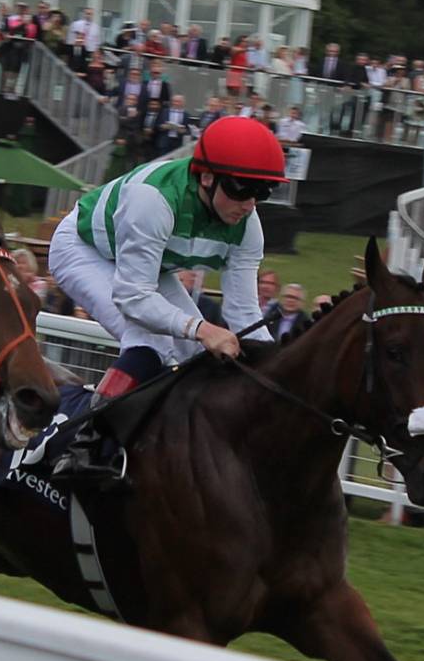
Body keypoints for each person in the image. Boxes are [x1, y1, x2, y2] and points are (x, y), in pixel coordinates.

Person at [48, 117, 281, 477]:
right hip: (82, 249)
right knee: (151, 341)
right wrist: (203, 328)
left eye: (261, 192)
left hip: (149, 267)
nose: (249, 204)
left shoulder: (248, 227)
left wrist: (278, 367)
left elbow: (245, 313)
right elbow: (133, 298)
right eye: (241, 189)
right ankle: (86, 443)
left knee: (195, 354)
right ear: (206, 177)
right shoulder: (153, 200)